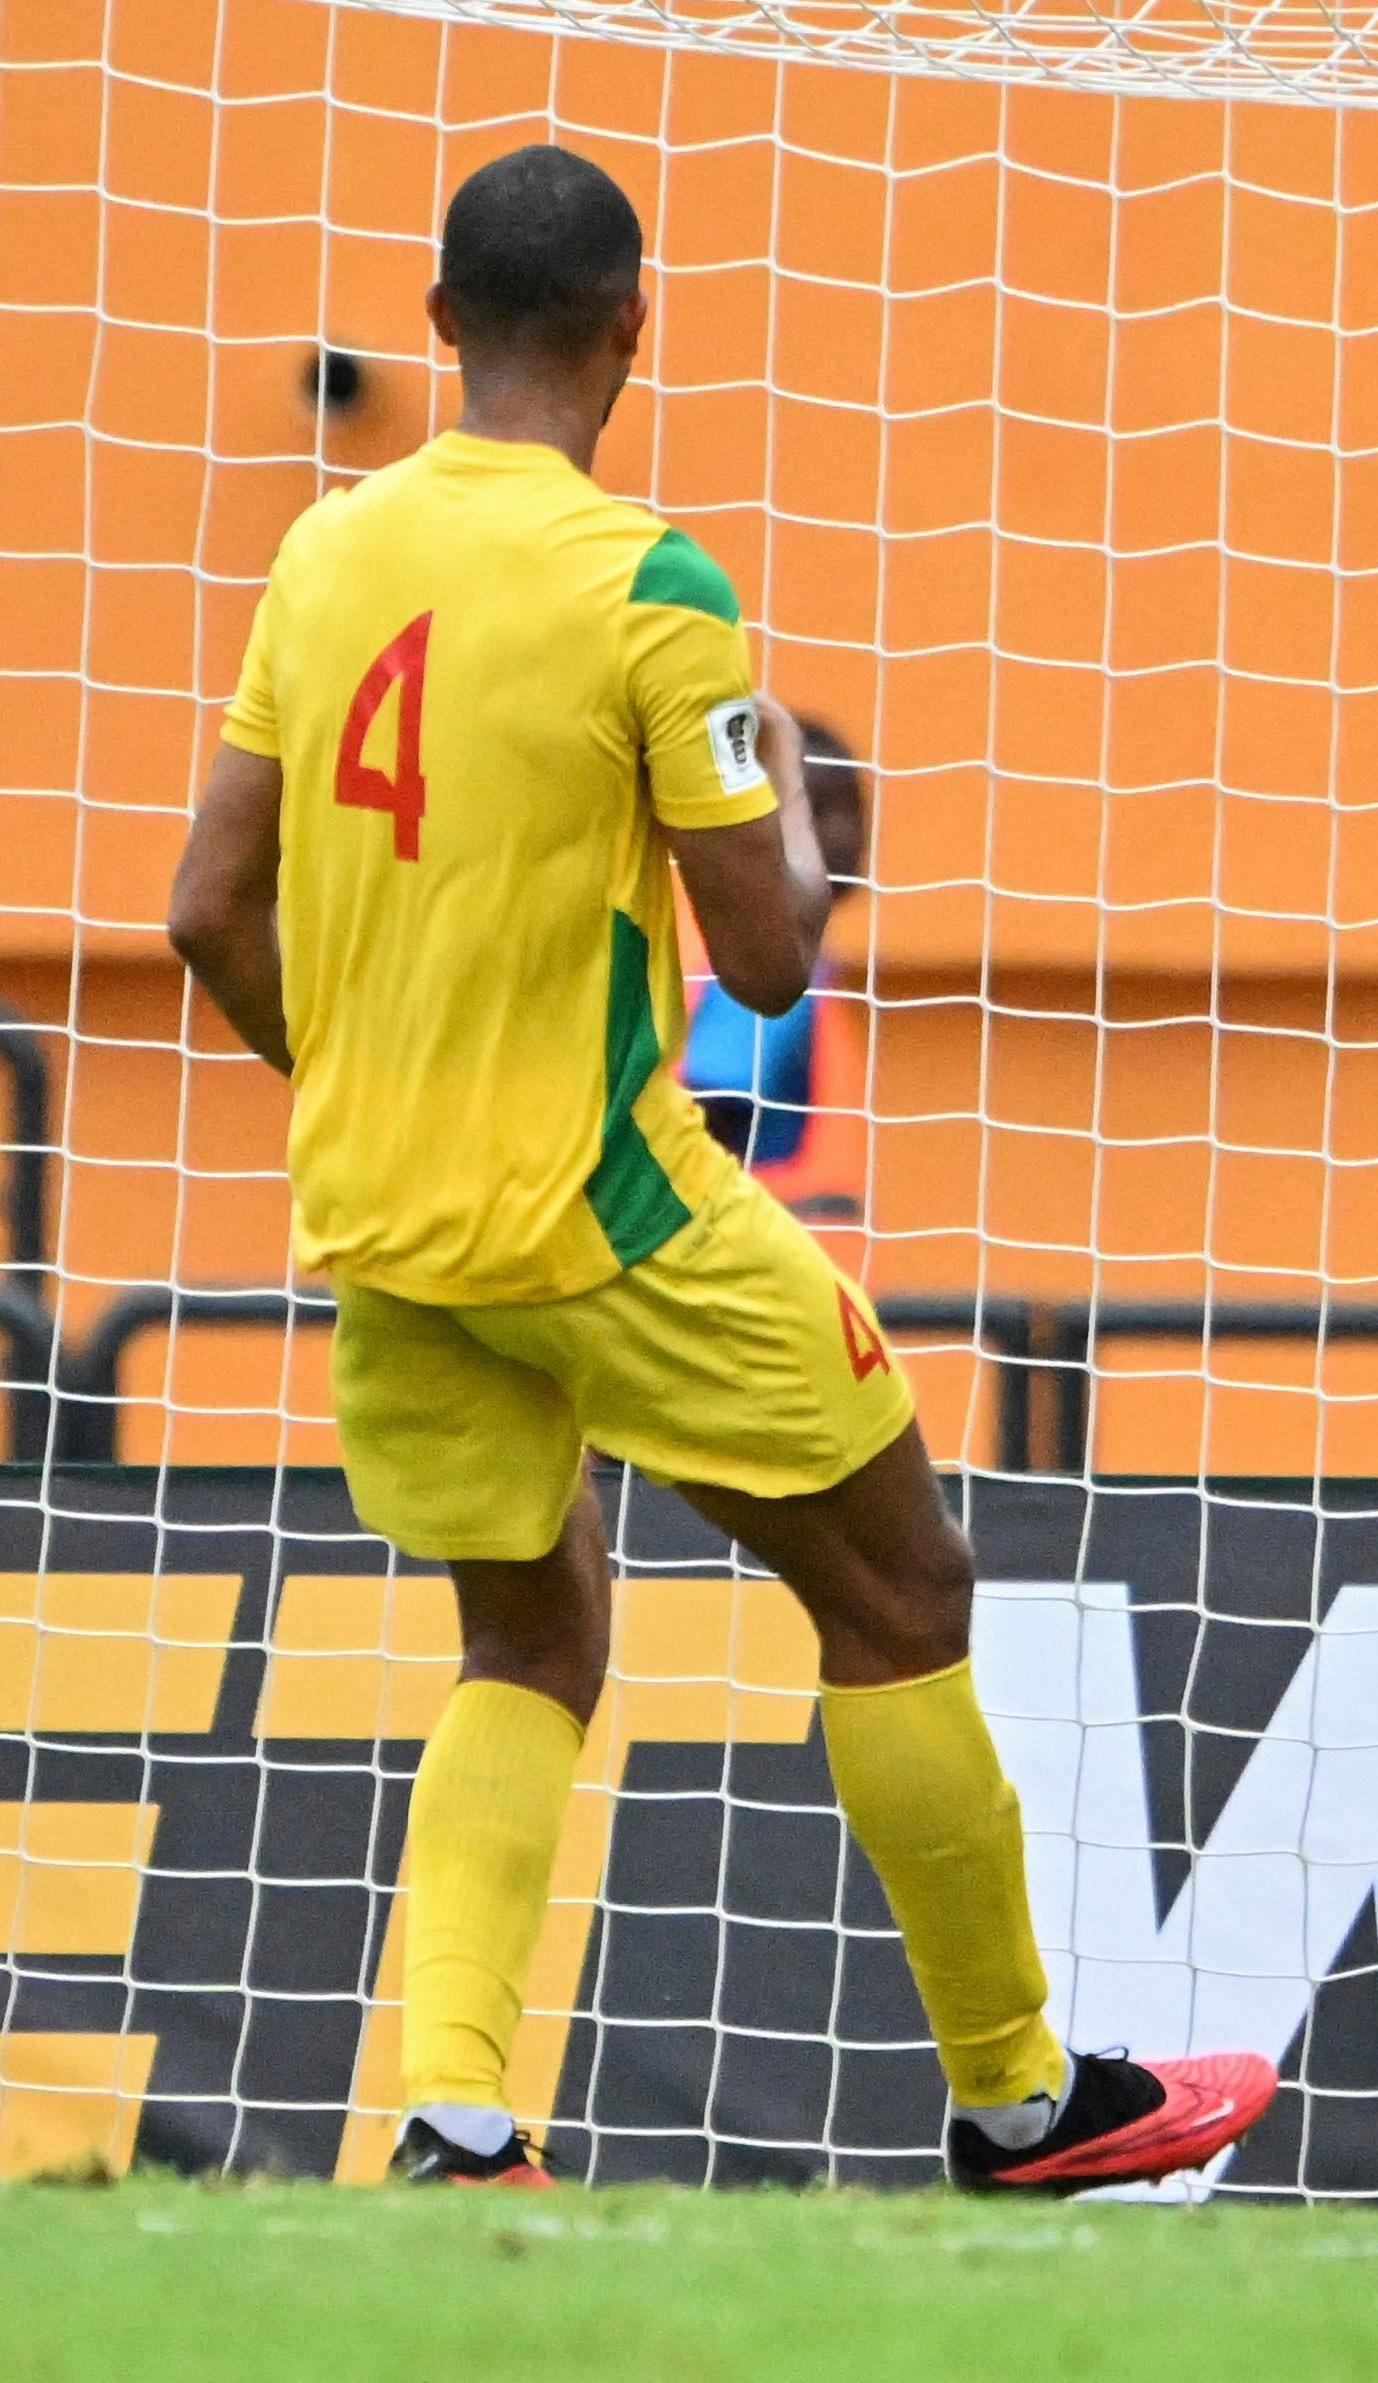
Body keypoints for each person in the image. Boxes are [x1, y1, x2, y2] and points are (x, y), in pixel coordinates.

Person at [163, 142, 1274, 2192]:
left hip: (385, 1218)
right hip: (605, 1204)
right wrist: (786, 827)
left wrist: (357, 1075)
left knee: (527, 1639)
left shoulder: (322, 558)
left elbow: (207, 909)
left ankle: (456, 2115)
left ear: (432, 328)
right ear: (630, 330)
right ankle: (1024, 2095)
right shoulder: (648, 583)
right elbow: (765, 954)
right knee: (905, 1577)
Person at [682, 714, 869, 1216]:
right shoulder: (771, 970)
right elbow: (709, 1115)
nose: (847, 832)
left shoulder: (815, 968)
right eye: (820, 810)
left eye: (854, 807)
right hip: (764, 1268)